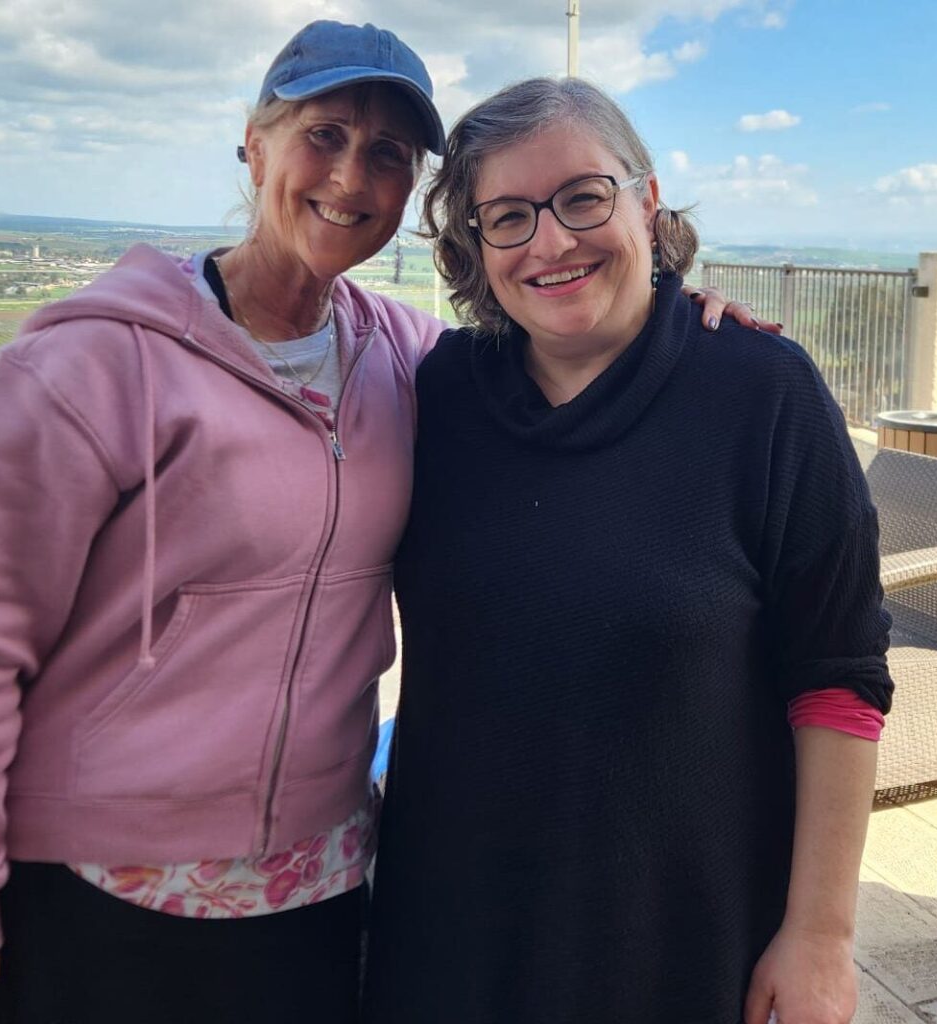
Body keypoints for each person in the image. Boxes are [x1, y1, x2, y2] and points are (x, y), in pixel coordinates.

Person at [0, 23, 765, 1024]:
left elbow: (557, 339)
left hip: (318, 879)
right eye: (325, 133)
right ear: (253, 145)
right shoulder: (87, 369)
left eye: (388, 153)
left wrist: (682, 322)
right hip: (101, 882)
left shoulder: (407, 359)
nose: (352, 175)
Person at [362, 77, 894, 1024]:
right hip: (450, 931)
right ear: (473, 248)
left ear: (647, 200)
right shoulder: (435, 392)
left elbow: (839, 680)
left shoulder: (763, 394)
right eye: (508, 216)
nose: (551, 241)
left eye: (584, 197)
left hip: (681, 941)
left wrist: (821, 936)